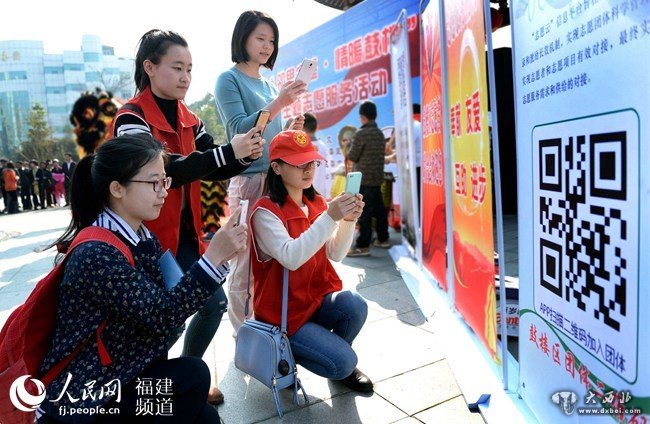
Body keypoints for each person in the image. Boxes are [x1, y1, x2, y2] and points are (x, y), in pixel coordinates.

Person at [36, 135, 246, 423]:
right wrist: (212, 259)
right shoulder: (96, 254)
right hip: (89, 396)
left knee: (200, 399)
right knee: (194, 379)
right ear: (117, 188)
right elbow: (163, 315)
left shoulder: (141, 236)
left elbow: (171, 301)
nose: (164, 192)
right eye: (153, 183)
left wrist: (220, 259)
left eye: (165, 181)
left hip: (125, 373)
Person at [112, 29, 263, 404]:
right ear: (150, 67)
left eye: (190, 69)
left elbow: (213, 165)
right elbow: (164, 169)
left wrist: (245, 153)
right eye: (177, 67)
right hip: (144, 243)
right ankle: (149, 385)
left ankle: (185, 375)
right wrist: (227, 153)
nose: (185, 77)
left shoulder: (190, 119)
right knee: (163, 321)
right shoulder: (130, 117)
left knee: (212, 304)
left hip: (186, 237)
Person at [250, 130, 373, 393]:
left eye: (312, 162)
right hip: (285, 316)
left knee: (355, 304)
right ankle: (288, 357)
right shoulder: (265, 211)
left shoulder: (316, 202)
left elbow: (335, 254)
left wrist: (348, 220)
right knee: (344, 362)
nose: (308, 169)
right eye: (299, 163)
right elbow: (291, 257)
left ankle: (333, 358)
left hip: (315, 301)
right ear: (277, 167)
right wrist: (330, 217)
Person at [215, 10, 307, 333]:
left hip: (275, 178)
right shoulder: (228, 79)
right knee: (244, 260)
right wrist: (280, 103)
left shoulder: (269, 84)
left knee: (272, 257)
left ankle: (267, 327)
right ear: (243, 38)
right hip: (250, 178)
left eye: (272, 40)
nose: (267, 46)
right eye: (260, 38)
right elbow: (239, 129)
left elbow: (270, 133)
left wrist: (288, 127)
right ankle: (244, 334)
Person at [346, 101, 390, 257]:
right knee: (379, 210)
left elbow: (352, 156)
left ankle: (363, 245)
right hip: (377, 178)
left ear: (362, 117)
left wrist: (350, 145)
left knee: (364, 212)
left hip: (363, 179)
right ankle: (383, 239)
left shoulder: (361, 134)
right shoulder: (379, 133)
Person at [303, 112, 332, 198]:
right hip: (321, 193)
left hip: (306, 193)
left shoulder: (303, 146)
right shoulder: (323, 146)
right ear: (317, 128)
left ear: (302, 128)